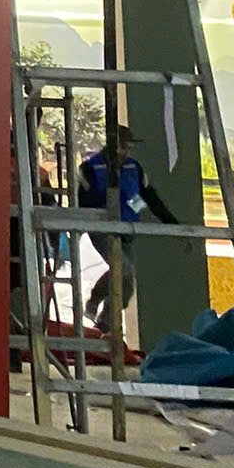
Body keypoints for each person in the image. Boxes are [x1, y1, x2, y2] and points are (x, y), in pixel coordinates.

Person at [77, 129, 175, 331]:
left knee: (127, 283)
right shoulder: (89, 168)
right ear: (110, 145)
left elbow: (150, 198)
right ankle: (97, 305)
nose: (125, 152)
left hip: (127, 230)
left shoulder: (134, 168)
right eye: (122, 146)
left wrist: (172, 224)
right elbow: (83, 203)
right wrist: (110, 191)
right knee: (124, 271)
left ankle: (104, 323)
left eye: (128, 147)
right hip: (102, 230)